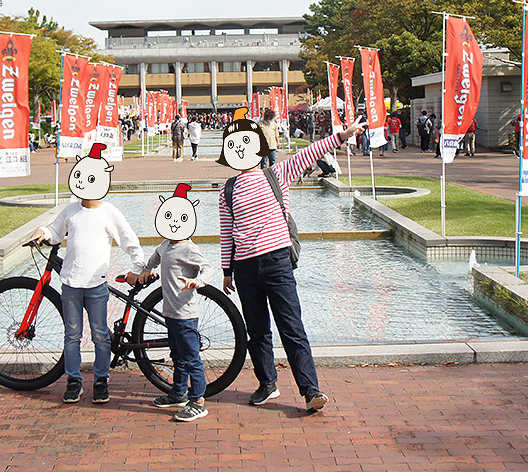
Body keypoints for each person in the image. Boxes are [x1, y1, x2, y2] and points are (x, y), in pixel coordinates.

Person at [218, 107, 366, 413]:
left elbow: (311, 152)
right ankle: (267, 383)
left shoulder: (277, 174)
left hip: (277, 263)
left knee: (291, 327)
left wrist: (342, 135)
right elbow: (227, 231)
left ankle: (310, 390)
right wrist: (226, 271)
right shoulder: (227, 190)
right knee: (257, 331)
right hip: (245, 268)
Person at [30, 143, 144, 404]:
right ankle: (73, 380)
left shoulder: (109, 212)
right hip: (70, 284)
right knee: (72, 334)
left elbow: (129, 240)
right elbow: (56, 231)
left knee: (100, 334)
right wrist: (42, 232)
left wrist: (138, 267)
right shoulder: (71, 210)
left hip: (96, 286)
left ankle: (101, 379)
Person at [138, 184, 213, 422]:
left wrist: (197, 282)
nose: (173, 224)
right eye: (168, 217)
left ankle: (198, 400)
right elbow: (155, 257)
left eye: (179, 218)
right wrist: (146, 269)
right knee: (177, 355)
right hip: (170, 312)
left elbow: (209, 268)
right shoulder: (166, 244)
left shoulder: (188, 248)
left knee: (191, 358)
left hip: (186, 314)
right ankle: (179, 392)